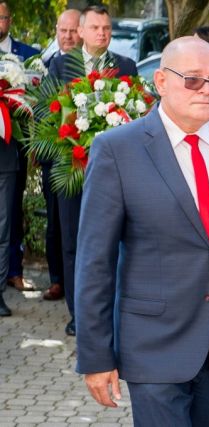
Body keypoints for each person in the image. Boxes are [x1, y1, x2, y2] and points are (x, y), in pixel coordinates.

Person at [74, 36, 209, 427]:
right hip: (152, 344)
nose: (207, 90)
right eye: (192, 79)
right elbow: (94, 264)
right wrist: (96, 356)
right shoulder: (117, 149)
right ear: (160, 81)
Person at [48, 5, 138, 335]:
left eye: (107, 28)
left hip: (114, 172)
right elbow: (50, 112)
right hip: (71, 167)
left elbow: (136, 113)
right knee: (73, 242)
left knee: (113, 241)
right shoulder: (60, 65)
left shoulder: (125, 66)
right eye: (96, 27)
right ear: (82, 31)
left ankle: (112, 310)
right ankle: (79, 314)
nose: (103, 32)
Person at [40, 9, 82, 302]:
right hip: (57, 156)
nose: (67, 37)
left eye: (72, 31)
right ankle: (58, 280)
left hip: (85, 157)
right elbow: (43, 109)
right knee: (57, 223)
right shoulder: (50, 63)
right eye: (63, 31)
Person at [1, 0, 40, 295]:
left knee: (12, 210)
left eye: (1, 18)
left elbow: (38, 102)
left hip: (14, 148)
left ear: (10, 20)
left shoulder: (28, 56)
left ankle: (13, 270)